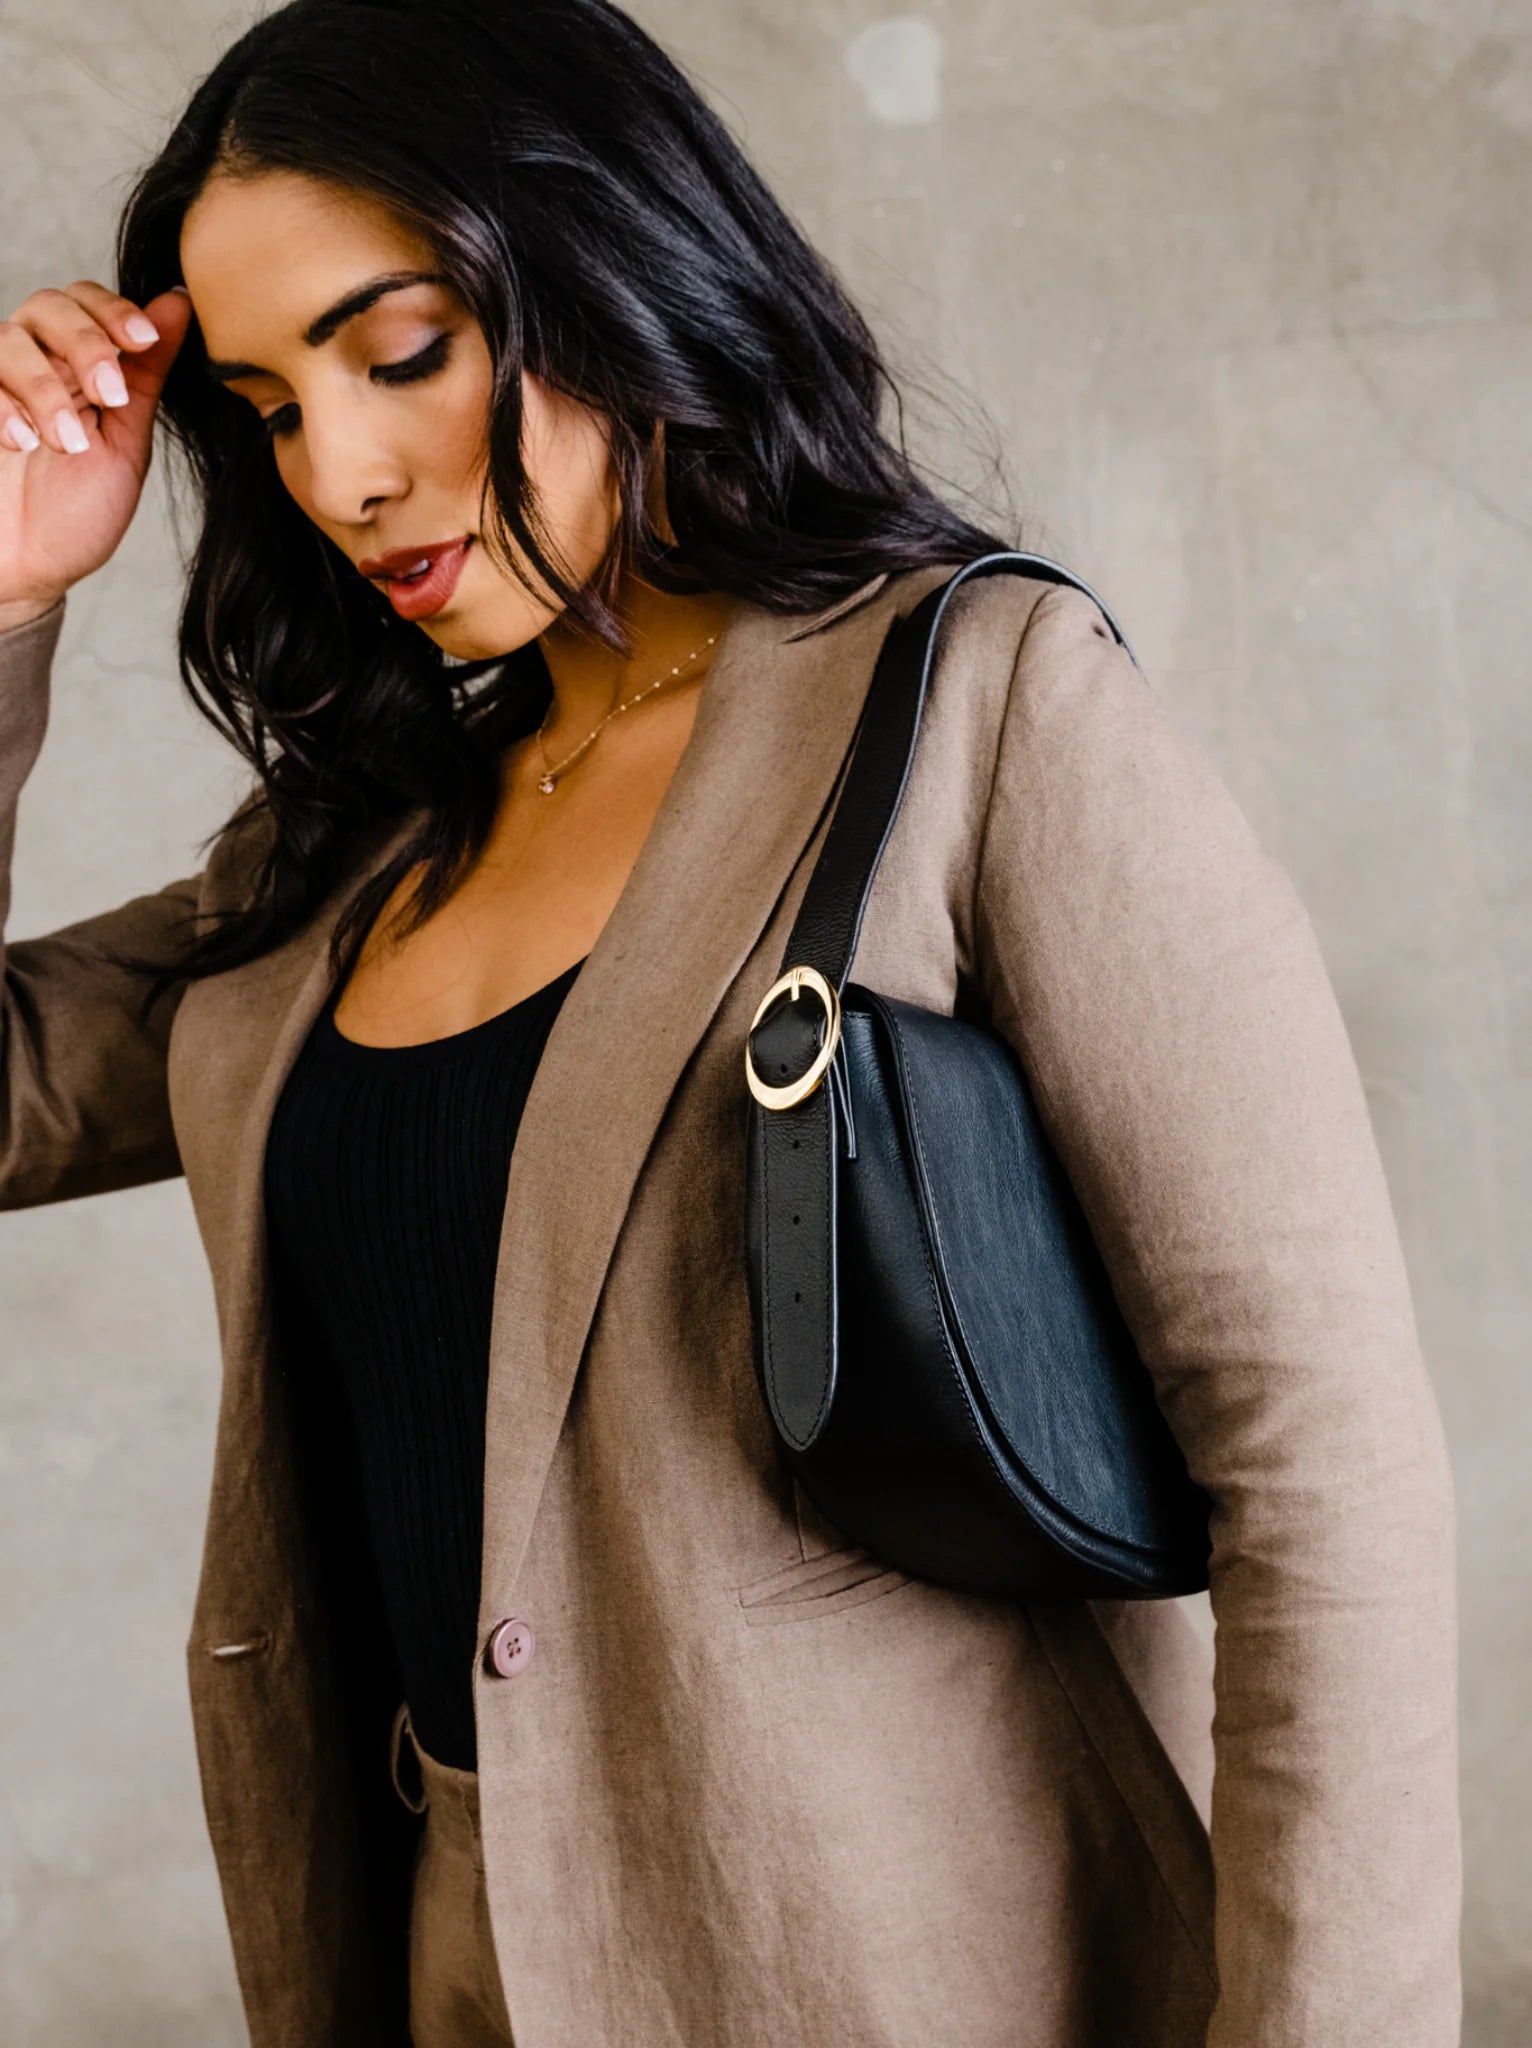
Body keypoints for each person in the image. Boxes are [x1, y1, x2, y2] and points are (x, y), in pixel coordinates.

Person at [0, 2, 1461, 2043]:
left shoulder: (979, 703)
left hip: (898, 1976)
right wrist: (9, 603)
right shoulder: (356, 846)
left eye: (401, 352)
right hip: (440, 1960)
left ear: (607, 262)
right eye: (261, 408)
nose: (339, 472)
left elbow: (1317, 1468)